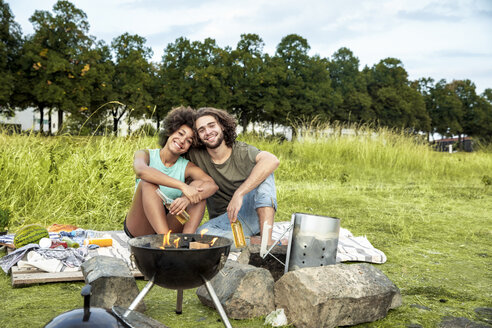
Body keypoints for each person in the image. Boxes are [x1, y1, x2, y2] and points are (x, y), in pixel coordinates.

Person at [186, 107, 280, 244]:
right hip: (225, 223)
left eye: (211, 126)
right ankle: (258, 242)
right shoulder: (196, 155)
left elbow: (272, 160)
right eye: (201, 130)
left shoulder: (241, 151)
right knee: (202, 235)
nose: (208, 132)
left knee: (266, 172)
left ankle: (266, 239)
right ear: (198, 136)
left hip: (252, 213)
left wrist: (239, 193)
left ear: (222, 126)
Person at [124, 107, 218, 238]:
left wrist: (186, 199)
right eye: (180, 134)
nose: (182, 141)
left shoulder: (186, 167)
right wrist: (183, 186)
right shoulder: (145, 154)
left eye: (189, 141)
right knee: (148, 183)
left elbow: (212, 185)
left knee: (198, 192)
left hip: (169, 222)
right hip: (140, 225)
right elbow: (142, 171)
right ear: (170, 132)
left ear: (189, 147)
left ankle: (187, 240)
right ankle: (165, 242)